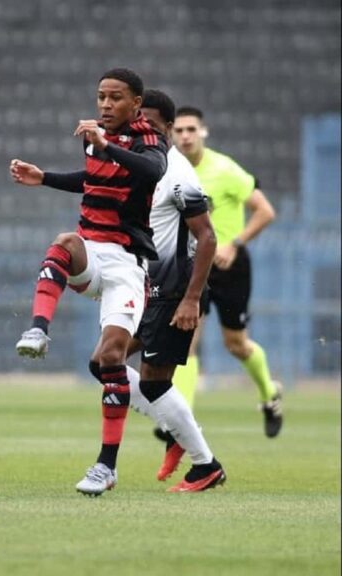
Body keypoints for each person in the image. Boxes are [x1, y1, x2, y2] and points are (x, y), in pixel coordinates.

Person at [10, 68, 168, 496]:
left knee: (110, 360)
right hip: (91, 253)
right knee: (64, 242)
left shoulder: (149, 139)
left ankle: (106, 465)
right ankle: (38, 331)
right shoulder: (92, 135)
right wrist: (44, 178)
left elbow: (152, 172)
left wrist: (106, 145)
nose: (105, 105)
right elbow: (92, 180)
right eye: (101, 97)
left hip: (127, 265)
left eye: (115, 98)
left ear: (136, 103)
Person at [123, 89, 225, 490]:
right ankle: (180, 430)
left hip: (173, 290)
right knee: (104, 362)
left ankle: (206, 465)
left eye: (148, 121)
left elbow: (209, 237)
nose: (140, 128)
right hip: (145, 287)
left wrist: (191, 299)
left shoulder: (178, 173)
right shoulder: (143, 166)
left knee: (152, 381)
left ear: (166, 125)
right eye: (137, 122)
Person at [172, 106, 282, 438]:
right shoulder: (170, 170)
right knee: (186, 341)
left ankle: (269, 394)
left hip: (229, 266)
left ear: (203, 131)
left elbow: (265, 211)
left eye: (191, 129)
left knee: (236, 343)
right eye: (179, 131)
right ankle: (181, 418)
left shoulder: (225, 169)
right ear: (171, 134)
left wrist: (234, 244)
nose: (186, 136)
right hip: (193, 267)